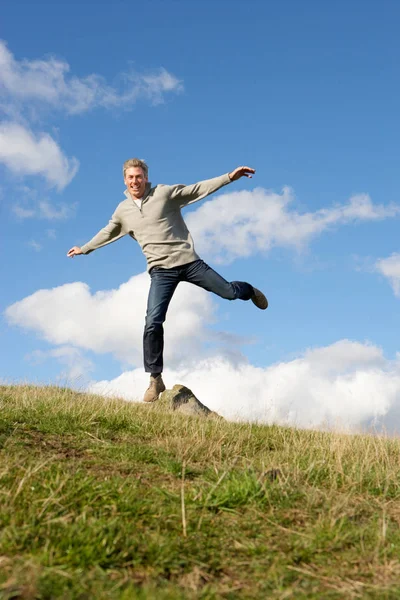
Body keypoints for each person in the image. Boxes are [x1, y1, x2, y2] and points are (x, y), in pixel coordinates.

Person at [67, 159, 268, 402]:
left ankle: (249, 290)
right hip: (161, 271)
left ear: (145, 177)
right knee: (152, 322)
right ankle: (155, 379)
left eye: (139, 177)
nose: (135, 181)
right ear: (125, 180)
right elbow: (108, 231)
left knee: (229, 292)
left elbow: (196, 190)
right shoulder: (123, 210)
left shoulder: (164, 193)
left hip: (189, 262)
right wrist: (85, 248)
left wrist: (229, 177)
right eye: (130, 177)